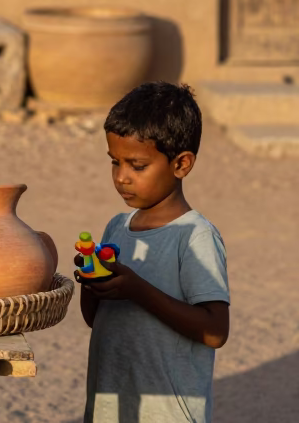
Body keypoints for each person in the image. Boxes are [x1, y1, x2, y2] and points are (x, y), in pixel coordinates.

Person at [77, 82, 230, 423]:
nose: (121, 178)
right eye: (114, 163)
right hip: (110, 408)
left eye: (137, 166)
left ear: (181, 164)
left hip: (167, 413)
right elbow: (96, 320)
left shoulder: (194, 236)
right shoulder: (117, 228)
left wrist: (136, 289)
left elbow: (215, 331)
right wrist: (91, 281)